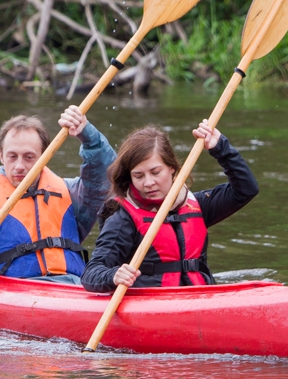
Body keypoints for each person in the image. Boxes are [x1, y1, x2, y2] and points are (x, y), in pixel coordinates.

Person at [0, 105, 116, 286]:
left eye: (29, 157)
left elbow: (108, 176)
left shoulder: (69, 192)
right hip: (16, 291)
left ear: (45, 156)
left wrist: (88, 136)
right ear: (1, 156)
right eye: (12, 156)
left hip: (73, 289)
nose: (19, 166)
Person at [81, 121, 259, 292]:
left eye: (155, 172)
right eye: (139, 176)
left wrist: (221, 148)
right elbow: (91, 273)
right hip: (152, 305)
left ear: (172, 168)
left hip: (201, 299)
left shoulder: (197, 205)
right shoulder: (122, 217)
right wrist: (113, 275)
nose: (148, 182)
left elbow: (246, 189)